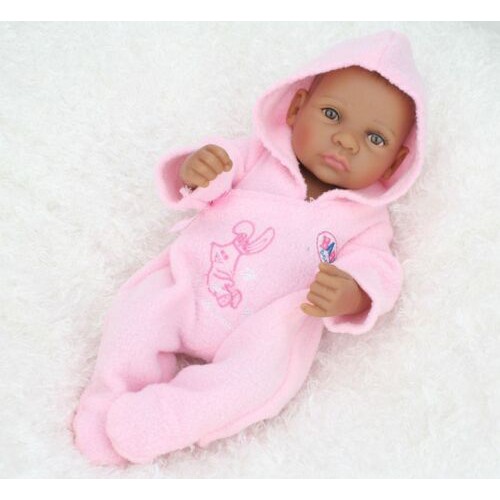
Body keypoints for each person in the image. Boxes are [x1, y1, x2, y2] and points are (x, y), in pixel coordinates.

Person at [72, 30, 426, 466]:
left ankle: (161, 420)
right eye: (332, 114)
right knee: (137, 316)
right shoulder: (257, 155)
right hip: (188, 286)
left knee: (257, 382)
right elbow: (213, 168)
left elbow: (379, 267)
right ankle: (107, 402)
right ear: (296, 109)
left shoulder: (366, 219)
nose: (347, 141)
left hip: (264, 333)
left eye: (375, 139)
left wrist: (353, 291)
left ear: (395, 163)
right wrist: (199, 170)